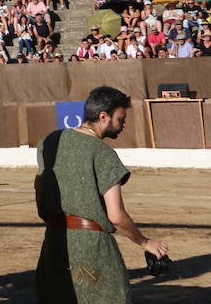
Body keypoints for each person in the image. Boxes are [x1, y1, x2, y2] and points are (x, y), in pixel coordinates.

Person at [34, 85, 169, 302]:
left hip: (53, 242)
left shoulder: (49, 142)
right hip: (91, 248)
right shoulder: (103, 153)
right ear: (103, 116)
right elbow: (116, 216)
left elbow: (40, 191)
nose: (124, 125)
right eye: (120, 119)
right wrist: (144, 242)